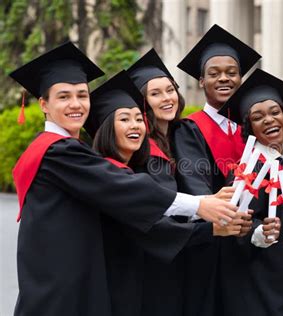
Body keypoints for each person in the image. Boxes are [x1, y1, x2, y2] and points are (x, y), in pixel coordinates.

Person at [9, 42, 237, 316]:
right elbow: (122, 187)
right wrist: (199, 205)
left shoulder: (61, 148)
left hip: (68, 274)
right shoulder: (58, 151)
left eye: (82, 95)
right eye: (64, 97)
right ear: (43, 104)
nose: (76, 104)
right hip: (63, 283)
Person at [125, 49, 251, 315]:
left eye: (170, 90)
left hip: (192, 251)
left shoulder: (183, 132)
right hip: (159, 257)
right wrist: (208, 211)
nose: (167, 98)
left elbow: (197, 184)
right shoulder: (140, 148)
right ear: (142, 102)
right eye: (155, 93)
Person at [173, 24, 261, 316]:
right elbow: (194, 184)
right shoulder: (189, 128)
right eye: (214, 73)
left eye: (231, 72)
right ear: (201, 81)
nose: (224, 78)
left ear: (241, 79)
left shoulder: (253, 130)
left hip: (250, 246)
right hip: (209, 246)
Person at [218, 68, 283, 316]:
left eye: (275, 112)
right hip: (261, 278)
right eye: (257, 117)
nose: (268, 120)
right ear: (249, 128)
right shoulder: (247, 170)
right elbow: (235, 221)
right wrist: (258, 232)